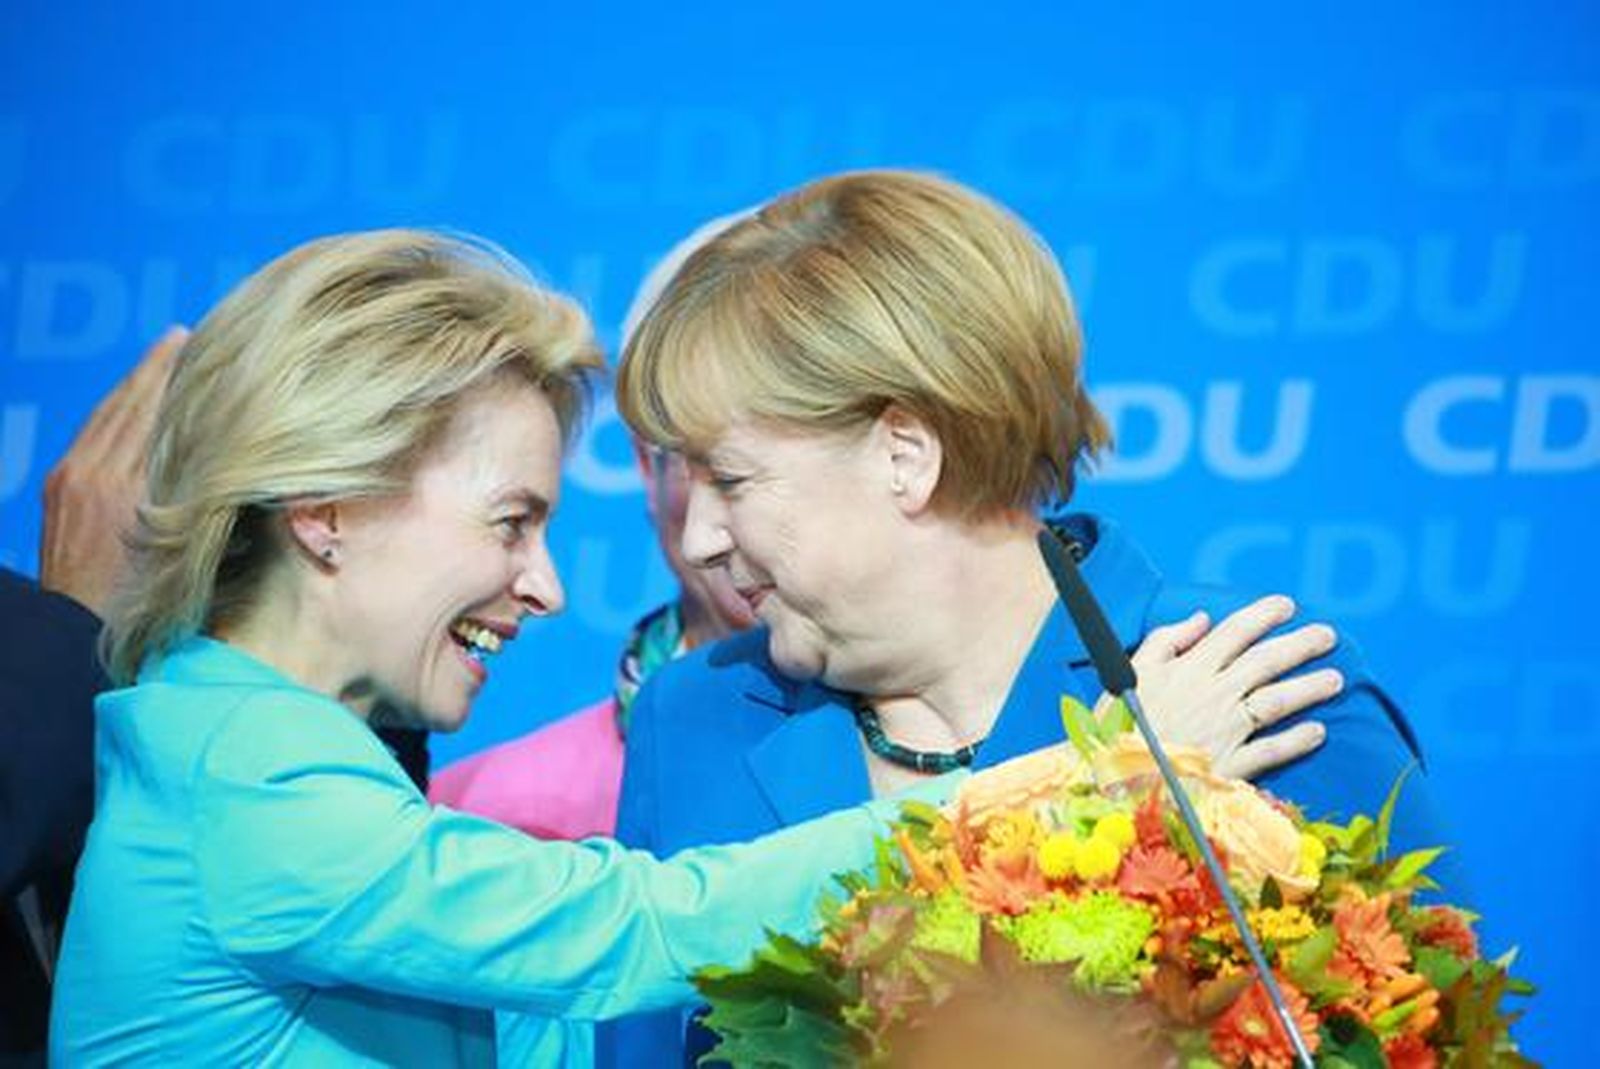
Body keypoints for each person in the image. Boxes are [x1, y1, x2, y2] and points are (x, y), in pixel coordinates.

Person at [47, 228, 1010, 1067]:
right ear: (325, 512)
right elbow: (641, 928)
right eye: (511, 522)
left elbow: (553, 1037)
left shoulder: (231, 746)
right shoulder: (249, 782)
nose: (549, 588)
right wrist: (1058, 792)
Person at [610, 170, 1451, 1062]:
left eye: (730, 480)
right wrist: (1096, 781)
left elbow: (1424, 1031)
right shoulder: (692, 717)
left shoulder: (1254, 681)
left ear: (905, 454)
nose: (697, 538)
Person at [427, 216, 758, 840]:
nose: (750, 506)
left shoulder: (985, 780)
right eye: (710, 455)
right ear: (644, 462)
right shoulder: (484, 818)